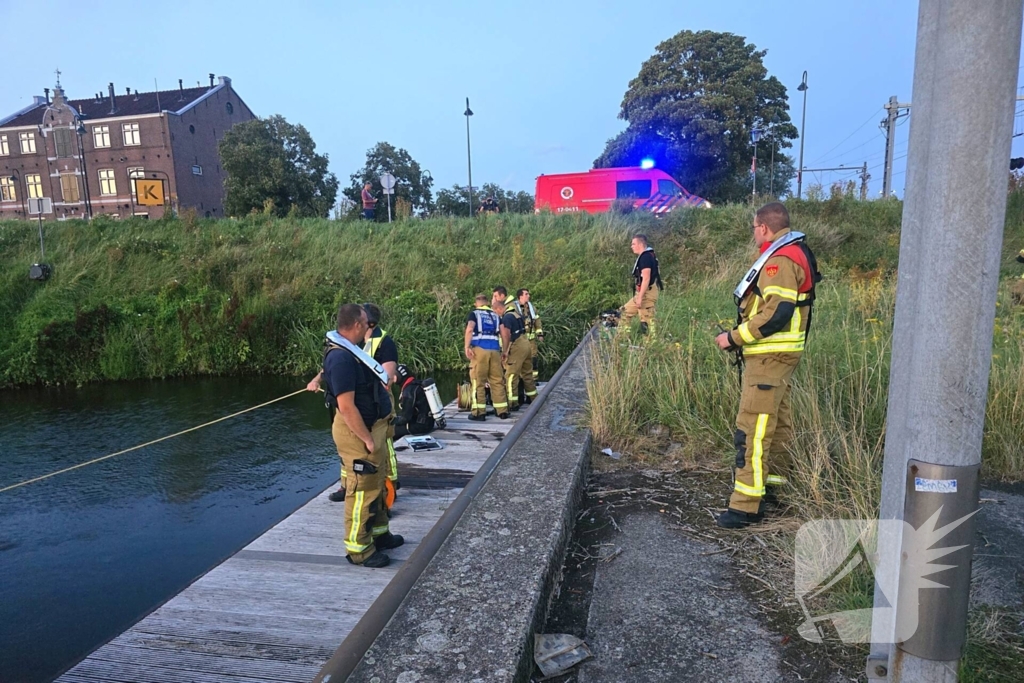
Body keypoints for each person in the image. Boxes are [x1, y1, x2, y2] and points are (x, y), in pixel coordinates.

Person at [713, 202, 821, 529]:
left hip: (768, 357)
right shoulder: (792, 252)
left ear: (763, 227)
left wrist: (734, 337)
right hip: (779, 358)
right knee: (777, 425)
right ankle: (772, 489)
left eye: (753, 227)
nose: (753, 232)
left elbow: (777, 312)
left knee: (752, 429)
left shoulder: (780, 260)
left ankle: (746, 505)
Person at [316, 303, 403, 567]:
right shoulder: (340, 358)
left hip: (372, 427)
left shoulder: (352, 351)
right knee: (362, 490)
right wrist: (366, 439)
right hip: (358, 434)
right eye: (366, 323)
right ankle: (360, 550)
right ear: (355, 325)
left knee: (377, 485)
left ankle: (379, 534)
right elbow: (346, 405)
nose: (369, 327)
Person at [309, 302, 400, 503]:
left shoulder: (384, 343)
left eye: (369, 322)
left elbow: (387, 377)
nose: (366, 326)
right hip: (353, 410)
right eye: (364, 322)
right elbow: (337, 377)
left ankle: (390, 482)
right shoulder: (347, 348)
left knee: (383, 447)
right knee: (356, 459)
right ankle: (348, 485)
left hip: (376, 405)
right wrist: (317, 380)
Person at [465, 293, 509, 421]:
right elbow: (505, 334)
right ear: (487, 303)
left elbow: (469, 329)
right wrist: (505, 351)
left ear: (476, 303)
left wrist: (467, 347)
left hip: (479, 350)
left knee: (478, 381)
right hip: (495, 350)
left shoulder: (474, 314)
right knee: (497, 381)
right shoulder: (496, 315)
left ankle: (479, 412)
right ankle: (502, 411)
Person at [619, 234, 663, 335]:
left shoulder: (645, 257)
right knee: (625, 312)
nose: (631, 246)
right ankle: (625, 337)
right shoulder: (649, 255)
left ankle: (650, 344)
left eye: (633, 244)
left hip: (646, 293)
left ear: (640, 244)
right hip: (643, 292)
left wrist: (640, 297)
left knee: (646, 320)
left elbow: (646, 278)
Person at [500, 295, 536, 411]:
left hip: (517, 346)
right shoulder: (517, 315)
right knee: (527, 373)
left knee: (511, 375)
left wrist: (505, 352)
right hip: (526, 344)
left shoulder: (507, 318)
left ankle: (512, 402)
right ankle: (533, 398)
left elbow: (508, 336)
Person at [392, 364, 435, 438]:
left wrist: (391, 422)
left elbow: (405, 418)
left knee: (390, 431)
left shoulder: (408, 391)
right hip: (429, 423)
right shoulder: (416, 384)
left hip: (420, 426)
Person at [514, 288, 543, 394]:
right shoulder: (515, 308)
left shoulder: (531, 307)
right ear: (520, 296)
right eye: (526, 294)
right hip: (520, 339)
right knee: (521, 360)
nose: (528, 296)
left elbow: (537, 320)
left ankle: (534, 379)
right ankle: (522, 380)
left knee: (533, 358)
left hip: (531, 339)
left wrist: (540, 333)